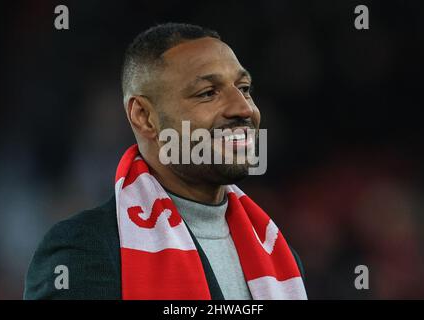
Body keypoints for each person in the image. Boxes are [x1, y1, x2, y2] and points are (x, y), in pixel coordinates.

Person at [24, 22, 307, 300]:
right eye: (208, 93)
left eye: (244, 88)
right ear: (145, 117)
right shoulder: (85, 251)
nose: (244, 108)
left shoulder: (280, 254)